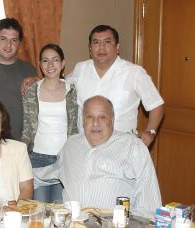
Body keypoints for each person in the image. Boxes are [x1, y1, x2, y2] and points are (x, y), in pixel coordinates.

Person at [22, 25, 164, 147]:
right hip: (84, 147)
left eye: (107, 42)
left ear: (117, 47)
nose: (101, 47)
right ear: (90, 48)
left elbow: (156, 105)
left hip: (121, 146)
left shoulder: (135, 73)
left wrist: (151, 131)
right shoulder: (81, 69)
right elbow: (60, 82)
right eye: (96, 43)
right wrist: (38, 80)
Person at [34, 95, 162, 217]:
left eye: (102, 117)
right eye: (89, 116)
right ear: (83, 121)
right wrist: (18, 172)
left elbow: (149, 205)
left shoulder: (133, 147)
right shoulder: (71, 145)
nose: (95, 123)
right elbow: (51, 172)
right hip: (72, 222)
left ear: (112, 120)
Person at [22, 43, 78, 202]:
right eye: (45, 61)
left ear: (63, 63)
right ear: (40, 65)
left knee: (60, 211)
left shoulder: (73, 90)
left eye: (55, 60)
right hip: (37, 159)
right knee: (39, 211)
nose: (50, 65)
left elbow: (76, 127)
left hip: (65, 159)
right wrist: (19, 153)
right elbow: (27, 127)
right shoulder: (31, 90)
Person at [0, 18, 37, 141]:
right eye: (3, 39)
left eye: (14, 40)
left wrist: (38, 80)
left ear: (20, 44)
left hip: (22, 145)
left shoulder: (29, 70)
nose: (8, 45)